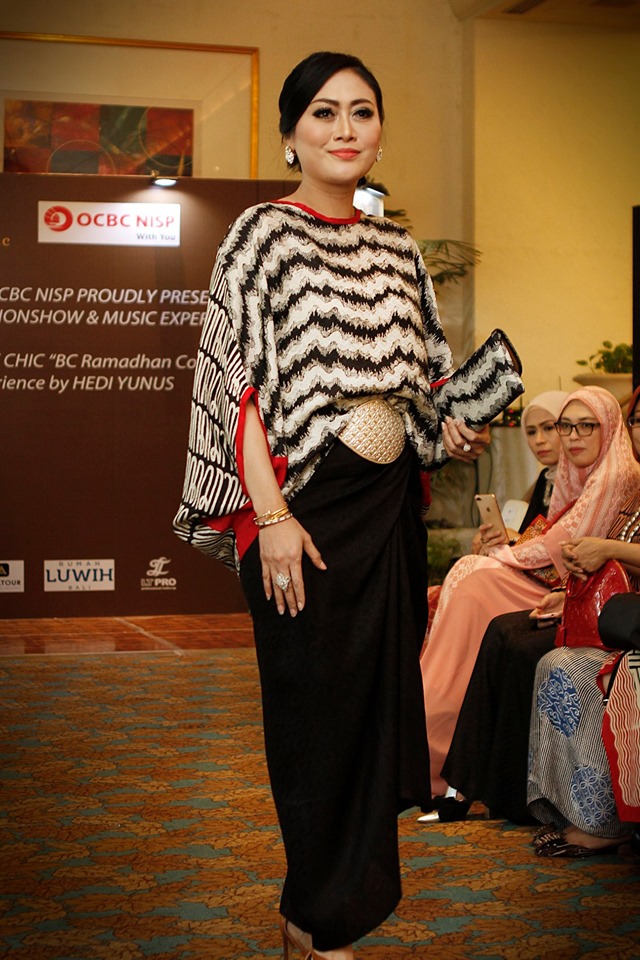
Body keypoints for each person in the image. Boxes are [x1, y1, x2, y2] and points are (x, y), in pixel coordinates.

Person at [172, 51, 509, 960]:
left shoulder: (396, 247)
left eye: (362, 111)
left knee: (369, 715)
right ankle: (322, 919)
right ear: (290, 135)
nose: (345, 128)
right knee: (314, 719)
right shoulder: (260, 235)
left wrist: (453, 429)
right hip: (301, 509)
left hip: (387, 512)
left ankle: (313, 916)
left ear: (380, 131)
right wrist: (272, 518)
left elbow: (424, 385)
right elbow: (234, 386)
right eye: (323, 112)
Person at [420, 386, 640, 800]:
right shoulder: (571, 475)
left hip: (590, 598)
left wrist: (505, 552)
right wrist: (508, 546)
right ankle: (434, 728)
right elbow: (552, 536)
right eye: (565, 426)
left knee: (474, 579)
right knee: (466, 584)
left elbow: (563, 546)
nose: (571, 437)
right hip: (561, 587)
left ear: (610, 427)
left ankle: (434, 736)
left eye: (586, 426)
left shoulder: (617, 474)